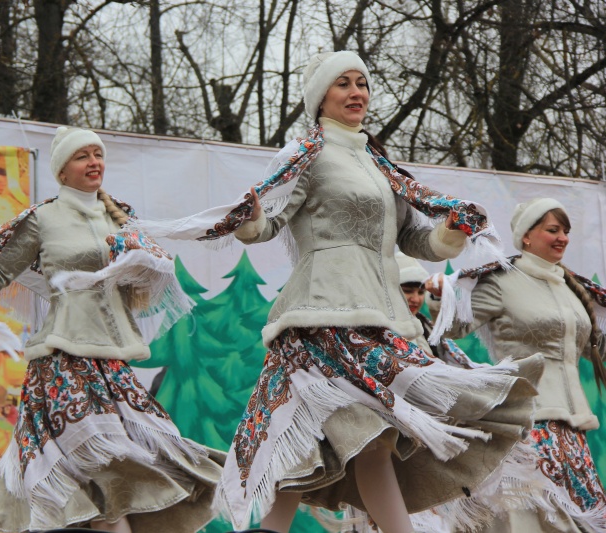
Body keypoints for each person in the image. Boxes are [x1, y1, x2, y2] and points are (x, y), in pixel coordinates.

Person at [204, 51, 543, 533]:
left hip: (382, 318)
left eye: (362, 83)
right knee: (365, 437)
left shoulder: (381, 165)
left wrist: (450, 233)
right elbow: (268, 222)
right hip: (323, 314)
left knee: (344, 441)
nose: (356, 92)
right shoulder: (306, 155)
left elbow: (412, 240)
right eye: (343, 83)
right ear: (321, 98)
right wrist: (250, 217)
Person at [0, 127, 223, 533]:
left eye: (97, 154)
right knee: (91, 457)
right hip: (63, 356)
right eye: (82, 156)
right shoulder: (43, 218)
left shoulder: (120, 216)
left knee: (133, 455)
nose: (94, 162)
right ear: (61, 172)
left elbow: (147, 282)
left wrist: (142, 265)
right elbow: (0, 271)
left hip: (112, 360)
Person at [425, 198, 606, 532]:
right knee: (528, 515)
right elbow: (455, 326)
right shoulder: (502, 281)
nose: (562, 238)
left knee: (578, 517)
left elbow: (596, 347)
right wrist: (439, 298)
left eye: (565, 231)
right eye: (553, 230)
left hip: (572, 426)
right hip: (525, 420)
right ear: (526, 236)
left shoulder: (573, 289)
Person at [396, 251, 482, 369]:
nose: (416, 299)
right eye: (407, 291)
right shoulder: (377, 332)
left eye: (421, 292)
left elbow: (457, 368)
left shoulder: (426, 327)